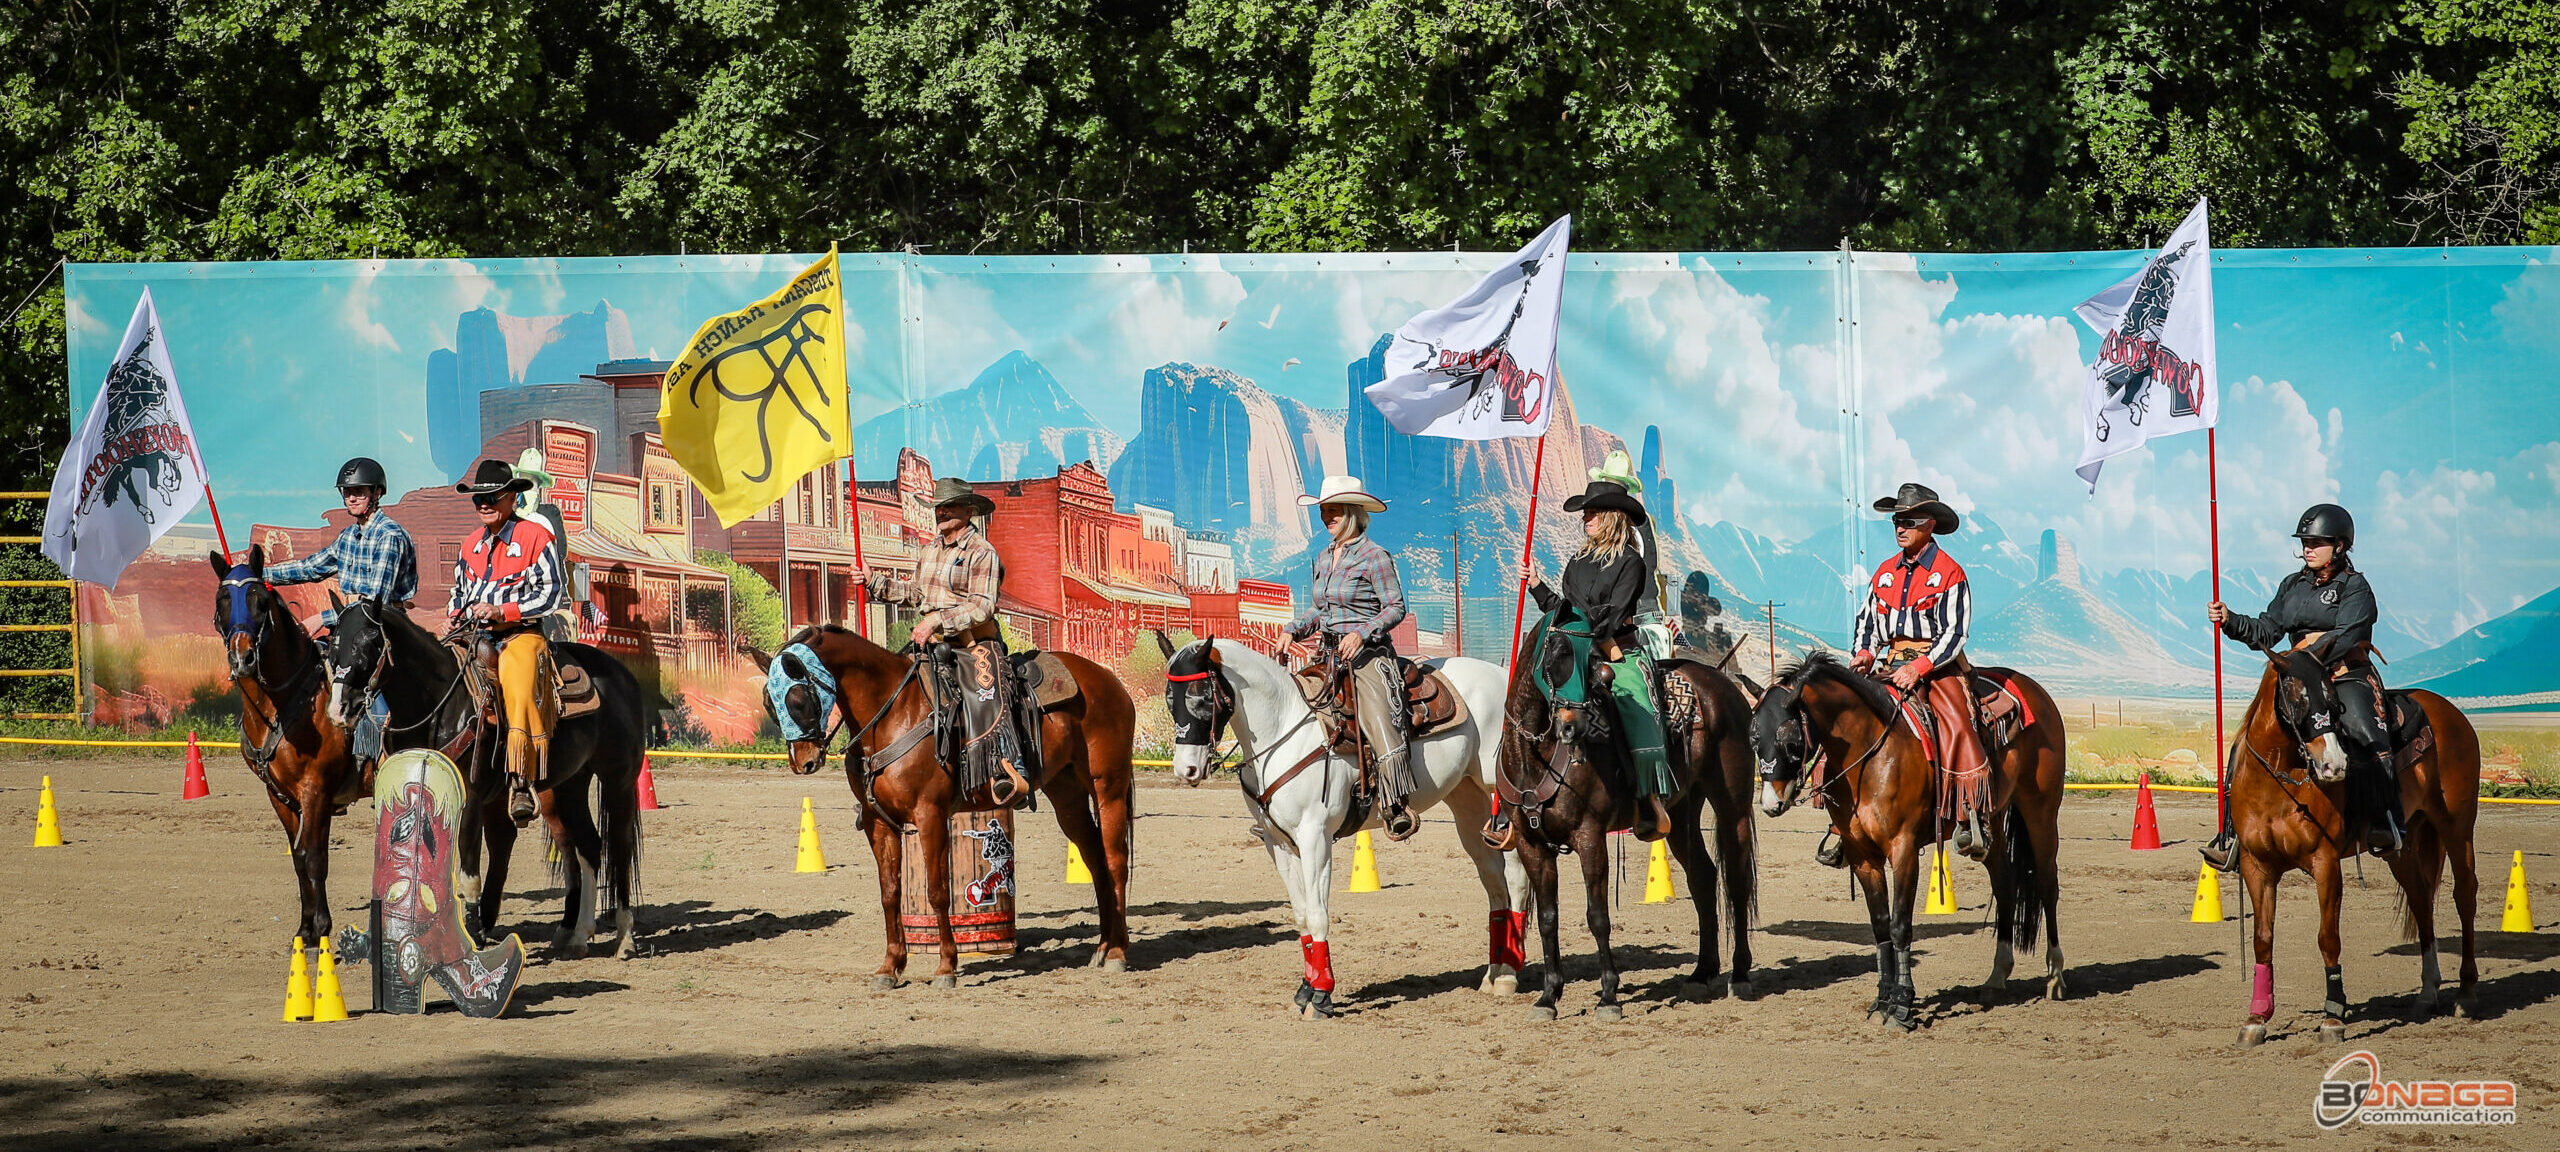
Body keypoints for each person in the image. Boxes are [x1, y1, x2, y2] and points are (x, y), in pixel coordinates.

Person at [2202, 503, 2396, 866]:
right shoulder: (2292, 586)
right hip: (2300, 680)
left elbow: (2348, 633)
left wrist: (2308, 648)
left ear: (2340, 545)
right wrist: (2230, 620)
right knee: (2245, 741)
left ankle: (2387, 820)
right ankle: (2231, 833)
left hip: (2345, 674)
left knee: (2366, 730)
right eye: (2305, 541)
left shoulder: (2355, 588)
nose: (2308, 547)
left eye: (2317, 541)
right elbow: (2268, 629)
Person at [1838, 482, 1988, 865]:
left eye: (1909, 520)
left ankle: (1972, 813)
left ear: (1930, 524)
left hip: (1938, 665)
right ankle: (1843, 820)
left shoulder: (1950, 573)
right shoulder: (1884, 574)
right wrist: (1865, 653)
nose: (1900, 527)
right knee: (1847, 717)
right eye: (1896, 521)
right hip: (1889, 664)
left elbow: (1955, 633)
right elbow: (1867, 621)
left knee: (1956, 719)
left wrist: (1919, 667)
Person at [1531, 475, 1678, 840]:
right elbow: (1564, 610)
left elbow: (1612, 615)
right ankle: (1519, 796)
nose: (1586, 519)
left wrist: (1585, 635)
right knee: (1532, 695)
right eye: (1585, 514)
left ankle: (1648, 797)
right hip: (1577, 648)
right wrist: (1536, 586)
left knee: (1635, 703)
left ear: (1613, 516)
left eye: (1593, 513)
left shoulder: (1632, 564)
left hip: (1618, 653)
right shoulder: (1577, 561)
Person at [866, 478, 1029, 804]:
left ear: (969, 511)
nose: (941, 512)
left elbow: (982, 606)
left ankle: (1009, 768)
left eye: (950, 506)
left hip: (974, 645)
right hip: (931, 645)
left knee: (987, 689)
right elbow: (915, 593)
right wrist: (875, 582)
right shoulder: (929, 550)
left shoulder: (983, 552)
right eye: (939, 507)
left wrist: (937, 619)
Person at [1285, 475, 1418, 840]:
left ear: (1353, 514)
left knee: (1378, 716)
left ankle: (1394, 802)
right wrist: (1291, 630)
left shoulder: (1375, 557)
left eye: (1334, 511)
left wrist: (1362, 633)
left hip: (1367, 655)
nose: (1327, 517)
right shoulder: (1323, 558)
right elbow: (1320, 611)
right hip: (1326, 653)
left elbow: (1395, 607)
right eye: (1324, 511)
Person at [448, 459, 567, 826]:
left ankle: (520, 779)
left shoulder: (535, 537)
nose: (484, 504)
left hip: (520, 635)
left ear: (512, 497)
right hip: (472, 635)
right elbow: (458, 593)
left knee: (517, 685)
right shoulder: (470, 545)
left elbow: (552, 594)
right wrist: (454, 615)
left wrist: (503, 611)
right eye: (477, 499)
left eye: (492, 497)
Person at [265, 457, 418, 636]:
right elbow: (309, 568)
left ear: (377, 493)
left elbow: (375, 603)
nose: (351, 498)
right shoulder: (348, 537)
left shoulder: (388, 536)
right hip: (350, 625)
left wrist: (321, 619)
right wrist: (255, 573)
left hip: (384, 629)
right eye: (347, 492)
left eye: (359, 492)